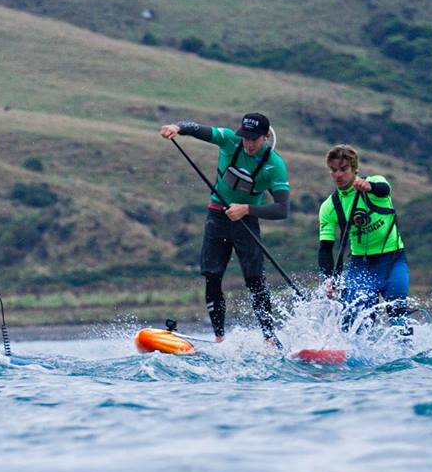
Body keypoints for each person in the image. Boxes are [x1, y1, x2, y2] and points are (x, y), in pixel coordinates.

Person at [160, 113, 290, 343]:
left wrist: (247, 209)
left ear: (266, 137)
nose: (248, 144)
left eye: (254, 139)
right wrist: (176, 127)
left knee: (254, 279)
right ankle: (219, 338)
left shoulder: (275, 165)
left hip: (245, 221)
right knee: (212, 275)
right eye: (245, 138)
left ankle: (269, 339)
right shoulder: (229, 140)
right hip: (217, 216)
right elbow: (197, 127)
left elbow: (281, 209)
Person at [317, 144, 409, 333]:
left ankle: (404, 353)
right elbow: (326, 248)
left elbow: (384, 189)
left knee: (398, 314)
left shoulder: (375, 184)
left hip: (392, 261)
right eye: (334, 170)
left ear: (354, 169)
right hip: (361, 265)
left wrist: (370, 187)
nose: (338, 175)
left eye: (344, 169)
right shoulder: (329, 207)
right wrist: (329, 279)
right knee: (354, 320)